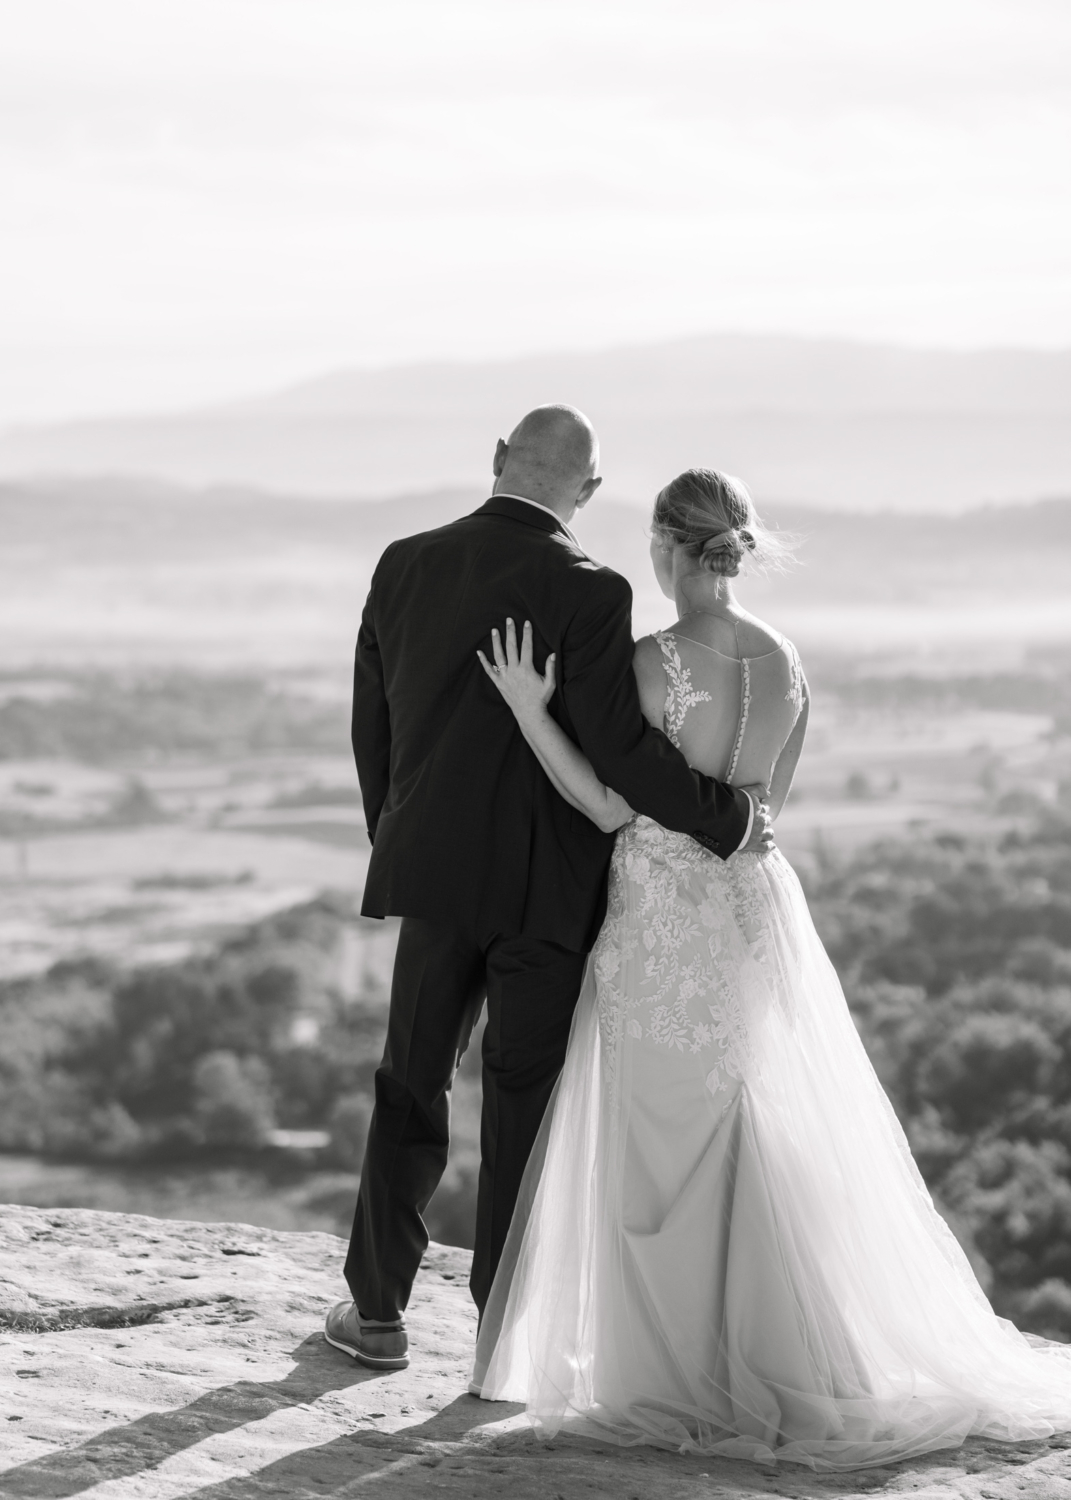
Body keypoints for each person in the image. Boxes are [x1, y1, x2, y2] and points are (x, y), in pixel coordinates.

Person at [470, 467, 1071, 1469]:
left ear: (666, 546)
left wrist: (531, 710)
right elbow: (764, 813)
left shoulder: (652, 661)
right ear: (735, 547)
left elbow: (612, 807)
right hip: (753, 912)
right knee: (750, 1127)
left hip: (664, 917)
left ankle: (677, 1375)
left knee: (661, 1141)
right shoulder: (788, 660)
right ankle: (778, 1350)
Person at [325, 410, 772, 1371]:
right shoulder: (590, 589)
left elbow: (375, 727)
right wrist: (724, 817)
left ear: (496, 461)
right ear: (591, 493)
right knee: (521, 1102)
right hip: (548, 889)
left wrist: (399, 839)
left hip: (437, 877)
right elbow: (620, 750)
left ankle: (375, 1315)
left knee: (410, 1083)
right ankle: (501, 1336)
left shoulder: (403, 561)